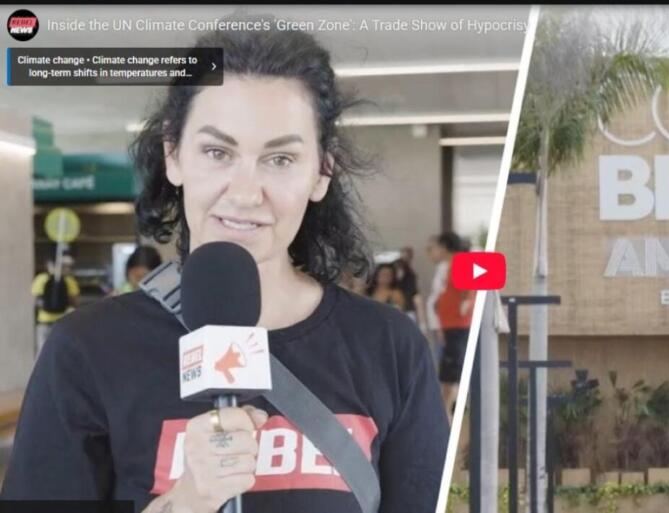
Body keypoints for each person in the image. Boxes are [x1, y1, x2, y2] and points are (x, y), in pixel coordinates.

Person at [2, 18, 449, 513]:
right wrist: (187, 499)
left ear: (322, 171)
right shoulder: (87, 349)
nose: (245, 193)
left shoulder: (389, 347)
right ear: (174, 155)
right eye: (217, 152)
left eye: (280, 159)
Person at [426, 232, 474, 419]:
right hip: (450, 324)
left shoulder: (459, 263)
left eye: (436, 247)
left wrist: (464, 307)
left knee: (451, 370)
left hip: (456, 324)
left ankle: (446, 411)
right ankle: (446, 410)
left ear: (445, 247)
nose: (434, 251)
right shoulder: (449, 266)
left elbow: (467, 290)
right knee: (448, 369)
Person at [29, 253, 80, 355]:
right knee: (63, 354)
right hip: (63, 322)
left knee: (42, 353)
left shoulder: (41, 279)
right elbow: (75, 302)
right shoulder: (69, 280)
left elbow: (34, 301)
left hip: (44, 321)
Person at [394, 247, 425, 327]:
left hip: (408, 308)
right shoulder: (396, 268)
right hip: (397, 308)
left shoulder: (411, 275)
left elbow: (415, 294)